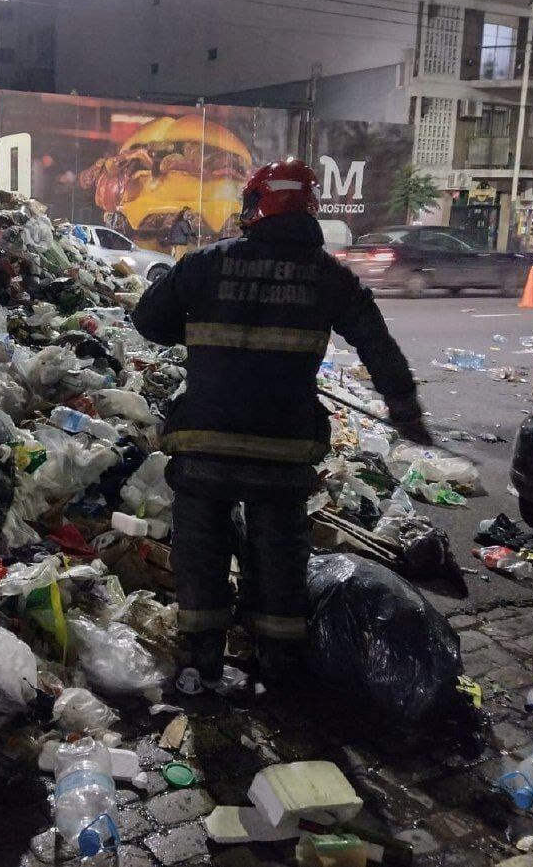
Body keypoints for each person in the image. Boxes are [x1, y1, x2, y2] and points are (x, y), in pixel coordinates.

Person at [132, 157, 430, 693]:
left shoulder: (205, 265)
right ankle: (277, 665)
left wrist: (204, 332)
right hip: (283, 450)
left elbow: (147, 321)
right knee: (279, 558)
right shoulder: (330, 278)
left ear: (255, 207)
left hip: (205, 447)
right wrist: (405, 411)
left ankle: (201, 662)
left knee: (201, 553)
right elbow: (378, 346)